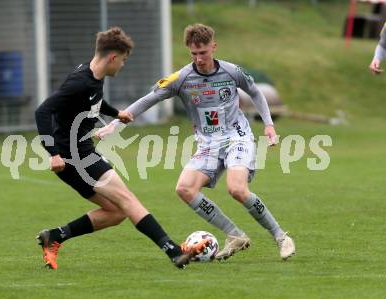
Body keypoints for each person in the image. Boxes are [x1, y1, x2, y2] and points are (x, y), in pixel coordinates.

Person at [96, 23, 295, 261]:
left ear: (214, 47)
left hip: (236, 137)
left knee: (237, 189)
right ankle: (235, 235)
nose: (199, 59)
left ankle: (281, 236)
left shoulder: (232, 72)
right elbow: (147, 100)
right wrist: (115, 124)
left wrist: (269, 124)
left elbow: (255, 92)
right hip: (208, 144)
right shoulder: (181, 78)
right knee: (185, 189)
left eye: (203, 53)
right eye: (194, 53)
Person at [34, 27, 206, 270]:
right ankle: (173, 251)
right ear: (113, 57)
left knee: (116, 212)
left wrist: (117, 113)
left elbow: (92, 101)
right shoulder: (79, 82)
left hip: (79, 154)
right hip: (76, 156)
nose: (123, 66)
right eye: (123, 60)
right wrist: (53, 154)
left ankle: (55, 236)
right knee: (127, 200)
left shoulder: (91, 75)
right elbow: (42, 111)